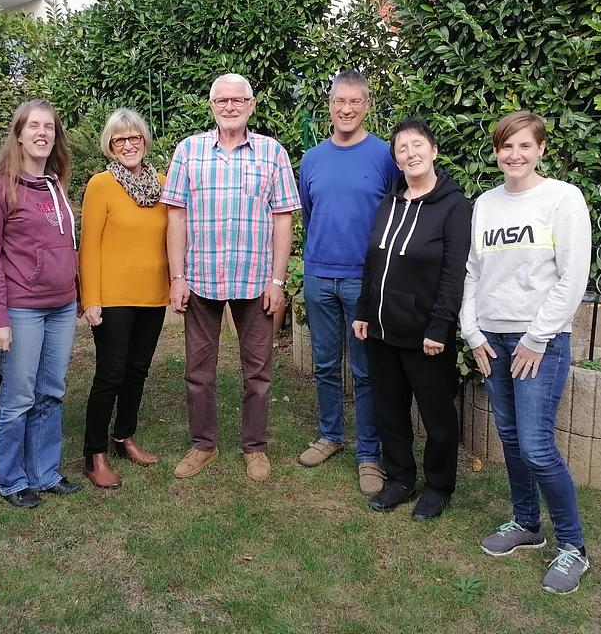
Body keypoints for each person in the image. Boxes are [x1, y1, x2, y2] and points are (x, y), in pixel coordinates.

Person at [459, 110, 592, 594]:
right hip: (492, 340)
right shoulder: (485, 204)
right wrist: (472, 333)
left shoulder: (562, 199)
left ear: (540, 149)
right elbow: (472, 272)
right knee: (512, 439)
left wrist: (537, 338)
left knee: (536, 446)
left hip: (540, 342)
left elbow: (572, 278)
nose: (514, 155)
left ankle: (573, 547)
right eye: (506, 146)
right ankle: (526, 524)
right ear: (496, 152)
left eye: (524, 146)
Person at [161, 73, 301, 482]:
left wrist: (277, 281)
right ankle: (203, 445)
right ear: (211, 106)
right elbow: (176, 216)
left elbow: (283, 220)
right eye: (221, 100)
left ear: (251, 105)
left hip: (254, 281)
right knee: (198, 371)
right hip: (201, 278)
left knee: (258, 371)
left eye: (238, 100)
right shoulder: (189, 151)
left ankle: (255, 448)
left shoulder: (272, 153)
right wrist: (177, 276)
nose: (230, 106)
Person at [352, 118, 471, 520]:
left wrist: (440, 326)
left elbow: (454, 273)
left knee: (437, 416)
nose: (410, 153)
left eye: (417, 145)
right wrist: (364, 310)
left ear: (433, 150)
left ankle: (439, 486)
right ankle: (401, 479)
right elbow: (373, 261)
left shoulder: (454, 206)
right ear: (397, 160)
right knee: (390, 411)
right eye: (401, 148)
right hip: (382, 330)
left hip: (426, 335)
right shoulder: (390, 202)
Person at [0, 99, 83, 509]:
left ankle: (45, 472)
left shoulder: (55, 184)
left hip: (62, 307)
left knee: (51, 392)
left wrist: (76, 290)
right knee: (18, 396)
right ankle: (10, 479)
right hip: (22, 308)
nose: (42, 133)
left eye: (49, 127)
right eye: (34, 126)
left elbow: (66, 245)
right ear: (18, 134)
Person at [297, 70, 400, 495]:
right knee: (324, 364)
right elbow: (309, 213)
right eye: (340, 100)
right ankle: (330, 435)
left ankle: (369, 453)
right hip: (319, 276)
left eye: (355, 101)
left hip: (364, 281)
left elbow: (395, 214)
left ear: (366, 106)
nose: (346, 108)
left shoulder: (384, 156)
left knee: (366, 370)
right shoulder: (311, 159)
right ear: (330, 105)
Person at [79, 108, 169, 488]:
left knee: (137, 371)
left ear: (144, 142)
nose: (129, 145)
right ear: (110, 146)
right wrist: (90, 298)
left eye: (135, 138)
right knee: (110, 374)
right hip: (113, 297)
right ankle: (94, 454)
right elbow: (88, 246)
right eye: (120, 140)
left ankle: (124, 437)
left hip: (153, 295)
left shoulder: (162, 184)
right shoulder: (100, 185)